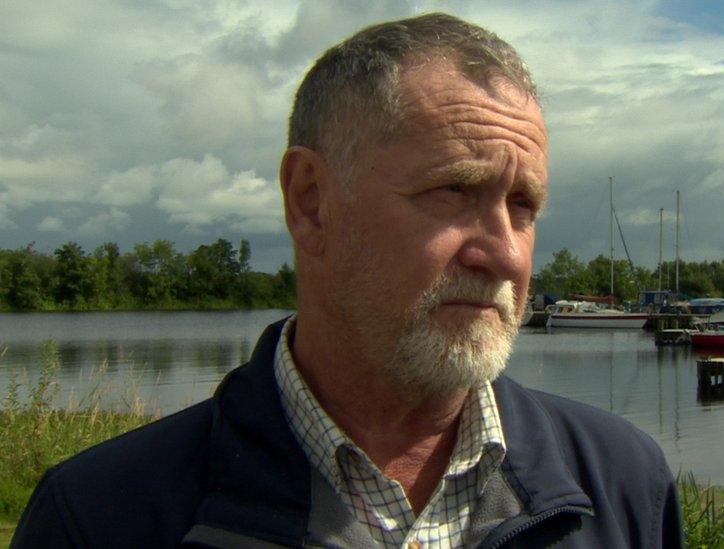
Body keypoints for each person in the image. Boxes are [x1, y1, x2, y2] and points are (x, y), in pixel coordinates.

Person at [13, 13, 682, 548]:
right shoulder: (102, 517)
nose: (504, 254)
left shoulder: (623, 487)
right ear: (311, 201)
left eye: (523, 206)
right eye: (454, 189)